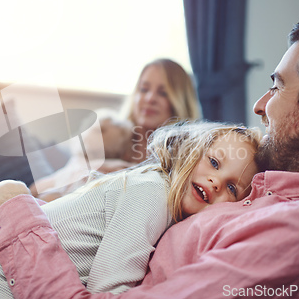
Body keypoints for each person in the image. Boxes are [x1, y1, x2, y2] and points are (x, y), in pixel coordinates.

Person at [0, 14, 299, 299]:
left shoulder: (298, 225)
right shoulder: (269, 175)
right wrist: (7, 213)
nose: (260, 104)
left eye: (277, 86)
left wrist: (13, 203)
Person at [0, 121, 260, 299]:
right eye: (214, 162)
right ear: (192, 150)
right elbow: (107, 288)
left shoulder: (151, 186)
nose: (216, 181)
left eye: (232, 188)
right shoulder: (153, 194)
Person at [30, 58, 201, 201]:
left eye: (163, 93)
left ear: (179, 101)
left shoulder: (184, 157)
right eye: (144, 89)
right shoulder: (108, 134)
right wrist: (100, 167)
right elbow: (44, 187)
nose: (150, 98)